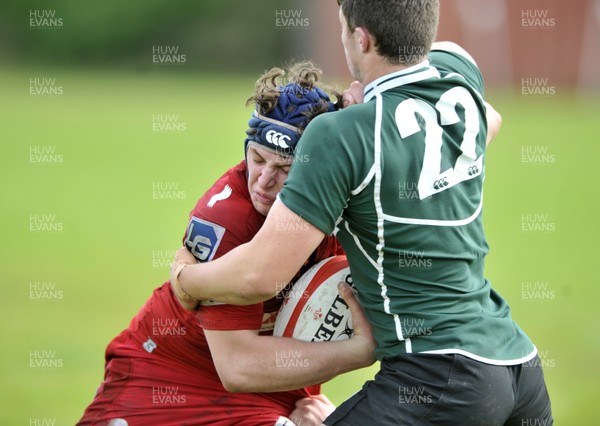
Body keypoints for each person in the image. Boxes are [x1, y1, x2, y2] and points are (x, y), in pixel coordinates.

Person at [169, 1, 553, 425]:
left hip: (438, 376)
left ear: (362, 38)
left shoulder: (341, 133)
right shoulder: (459, 78)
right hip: (520, 367)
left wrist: (187, 279)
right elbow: (491, 118)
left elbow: (261, 276)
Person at [77, 62, 376, 426]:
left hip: (268, 383)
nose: (264, 182)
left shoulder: (346, 192)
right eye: (257, 159)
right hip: (168, 374)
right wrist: (358, 352)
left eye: (285, 169)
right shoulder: (229, 220)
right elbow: (239, 368)